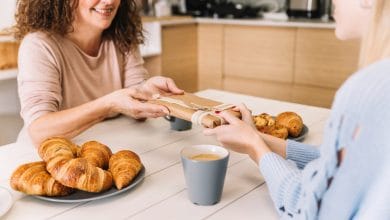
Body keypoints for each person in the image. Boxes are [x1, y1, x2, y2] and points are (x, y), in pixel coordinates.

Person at [204, 0, 390, 219]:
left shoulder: (368, 92)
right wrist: (257, 137)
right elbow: (341, 162)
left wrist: (255, 147)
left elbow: (308, 210)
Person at [14, 0, 183, 147]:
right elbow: (39, 131)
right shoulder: (39, 45)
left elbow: (136, 108)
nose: (109, 1)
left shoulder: (121, 35)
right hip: (41, 157)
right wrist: (108, 104)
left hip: (108, 145)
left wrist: (147, 90)